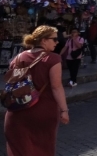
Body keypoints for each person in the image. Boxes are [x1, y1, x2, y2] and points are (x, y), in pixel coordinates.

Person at [4, 25, 70, 155]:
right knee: (42, 148)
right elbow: (56, 87)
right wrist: (64, 110)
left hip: (17, 110)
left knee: (18, 150)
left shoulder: (17, 58)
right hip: (42, 111)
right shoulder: (53, 59)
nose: (57, 42)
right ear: (44, 40)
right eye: (54, 39)